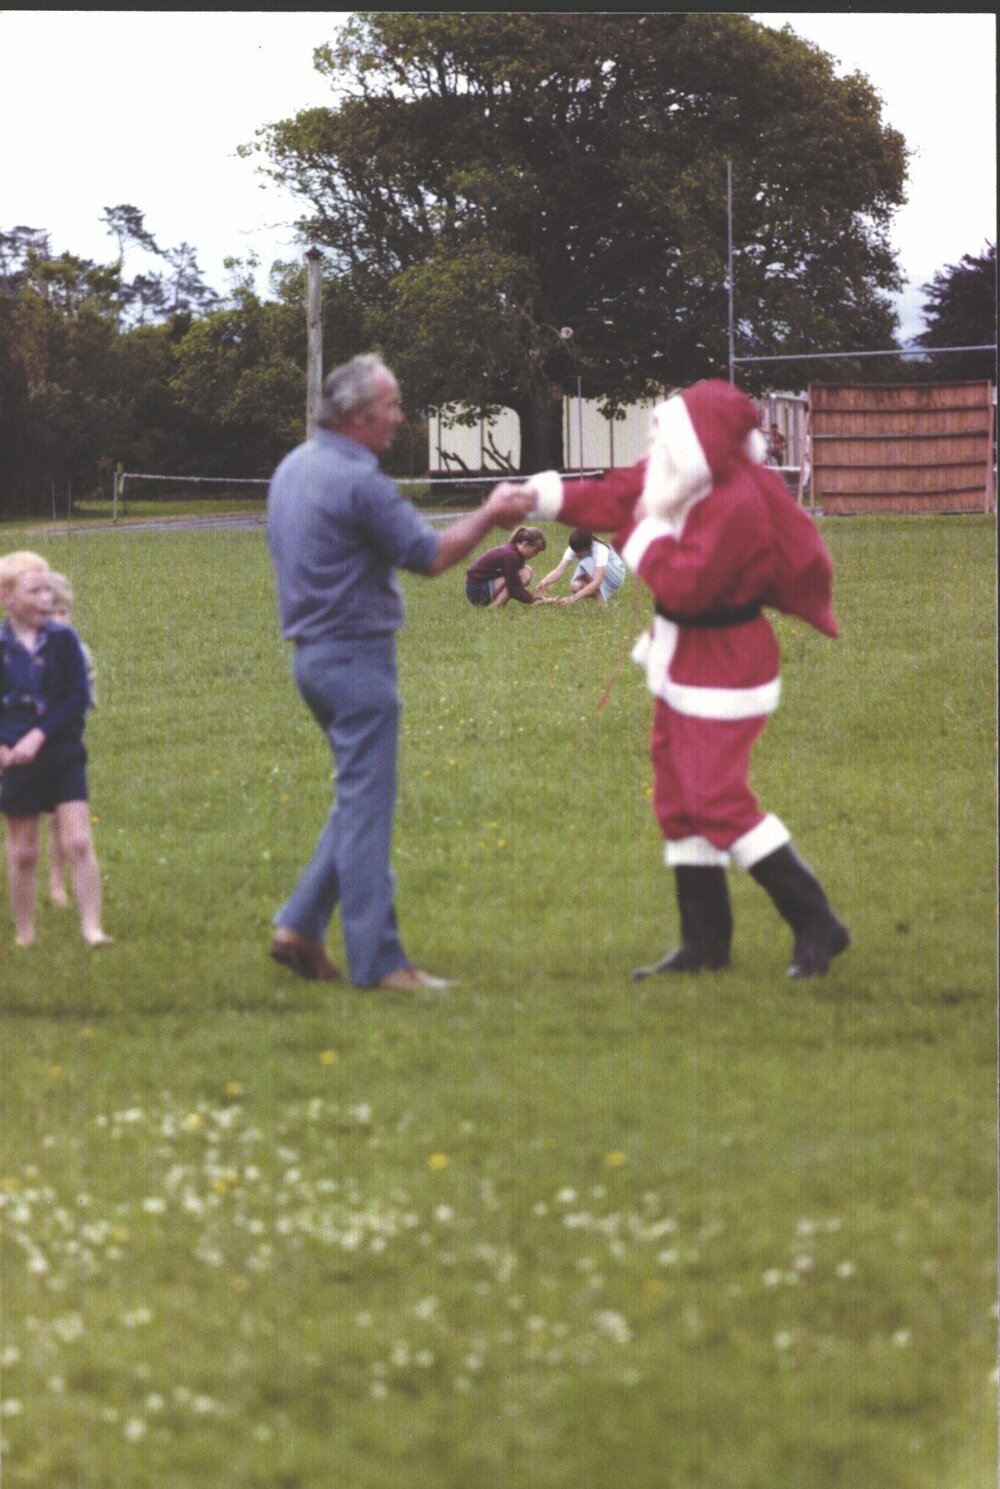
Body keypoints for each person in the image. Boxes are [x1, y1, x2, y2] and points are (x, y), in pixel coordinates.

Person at [523, 379, 849, 980]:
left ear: (697, 444)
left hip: (726, 663)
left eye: (667, 437)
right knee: (678, 798)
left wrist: (640, 532)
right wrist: (534, 496)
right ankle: (704, 945)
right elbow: (622, 491)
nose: (657, 451)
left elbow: (685, 584)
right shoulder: (689, 471)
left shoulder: (738, 502)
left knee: (716, 799)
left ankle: (817, 922)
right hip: (685, 655)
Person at [266, 353, 535, 989]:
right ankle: (381, 965)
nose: (400, 417)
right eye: (392, 406)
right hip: (357, 659)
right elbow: (431, 555)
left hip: (311, 658)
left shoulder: (294, 468)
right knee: (367, 812)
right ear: (361, 415)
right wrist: (493, 514)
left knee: (358, 798)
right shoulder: (358, 479)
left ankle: (300, 927)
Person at [0, 551, 112, 948]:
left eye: (48, 589)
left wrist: (39, 735)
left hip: (62, 753)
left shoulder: (64, 639)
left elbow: (76, 696)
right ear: (6, 597)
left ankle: (92, 928)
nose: (46, 599)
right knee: (24, 850)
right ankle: (26, 933)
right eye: (35, 591)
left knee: (78, 840)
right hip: (15, 761)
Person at [45, 571, 97, 907]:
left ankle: (56, 884)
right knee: (21, 828)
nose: (58, 620)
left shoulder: (78, 652)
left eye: (63, 612)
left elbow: (86, 696)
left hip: (61, 747)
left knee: (59, 818)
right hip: (19, 748)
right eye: (51, 613)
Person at [533, 528, 626, 605]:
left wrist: (572, 599)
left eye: (579, 552)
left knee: (586, 562)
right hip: (599, 575)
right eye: (575, 552)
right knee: (575, 586)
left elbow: (597, 581)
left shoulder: (600, 550)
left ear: (588, 547)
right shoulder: (575, 547)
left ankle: (601, 602)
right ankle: (597, 597)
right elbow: (559, 570)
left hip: (616, 575)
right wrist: (544, 582)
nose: (576, 555)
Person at [464, 526, 550, 607]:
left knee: (527, 570)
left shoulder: (514, 552)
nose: (535, 555)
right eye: (535, 551)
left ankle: (496, 604)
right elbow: (514, 587)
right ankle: (495, 607)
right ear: (525, 544)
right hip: (477, 591)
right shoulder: (511, 556)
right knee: (524, 574)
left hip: (477, 587)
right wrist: (533, 599)